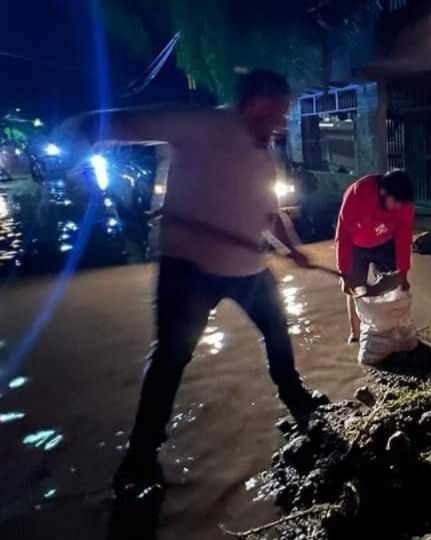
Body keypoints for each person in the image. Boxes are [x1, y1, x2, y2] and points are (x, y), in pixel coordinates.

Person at [64, 70, 325, 493]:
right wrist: (85, 132)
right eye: (276, 111)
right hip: (190, 273)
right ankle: (140, 458)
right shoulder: (202, 125)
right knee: (170, 361)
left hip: (250, 270)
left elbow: (270, 211)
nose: (280, 122)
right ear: (253, 100)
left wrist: (291, 247)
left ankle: (299, 403)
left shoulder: (262, 150)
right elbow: (126, 125)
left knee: (279, 335)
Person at [335, 171, 415, 342]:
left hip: (386, 243)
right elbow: (343, 234)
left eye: (403, 203)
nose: (399, 207)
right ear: (383, 193)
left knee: (392, 285)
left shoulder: (404, 205)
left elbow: (404, 238)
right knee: (354, 288)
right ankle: (355, 332)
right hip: (356, 245)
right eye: (396, 202)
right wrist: (343, 272)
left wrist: (403, 273)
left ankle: (389, 330)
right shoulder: (358, 194)